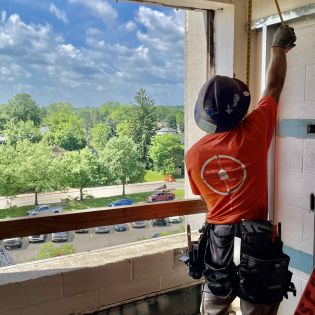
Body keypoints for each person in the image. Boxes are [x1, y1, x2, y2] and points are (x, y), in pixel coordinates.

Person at [185, 25, 297, 315]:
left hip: (218, 243)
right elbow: (273, 86)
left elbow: (203, 197)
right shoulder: (254, 132)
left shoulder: (194, 156)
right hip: (256, 241)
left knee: (214, 308)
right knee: (257, 310)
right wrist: (278, 48)